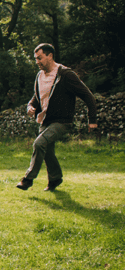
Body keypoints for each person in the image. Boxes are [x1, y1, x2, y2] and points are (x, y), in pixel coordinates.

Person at [17, 43, 97, 191]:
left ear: (50, 56)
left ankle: (28, 179)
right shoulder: (39, 75)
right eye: (35, 59)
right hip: (45, 120)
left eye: (40, 58)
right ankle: (55, 179)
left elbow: (87, 95)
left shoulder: (65, 74)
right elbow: (36, 96)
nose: (37, 62)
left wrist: (92, 119)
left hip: (62, 121)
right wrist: (30, 106)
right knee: (47, 151)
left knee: (39, 144)